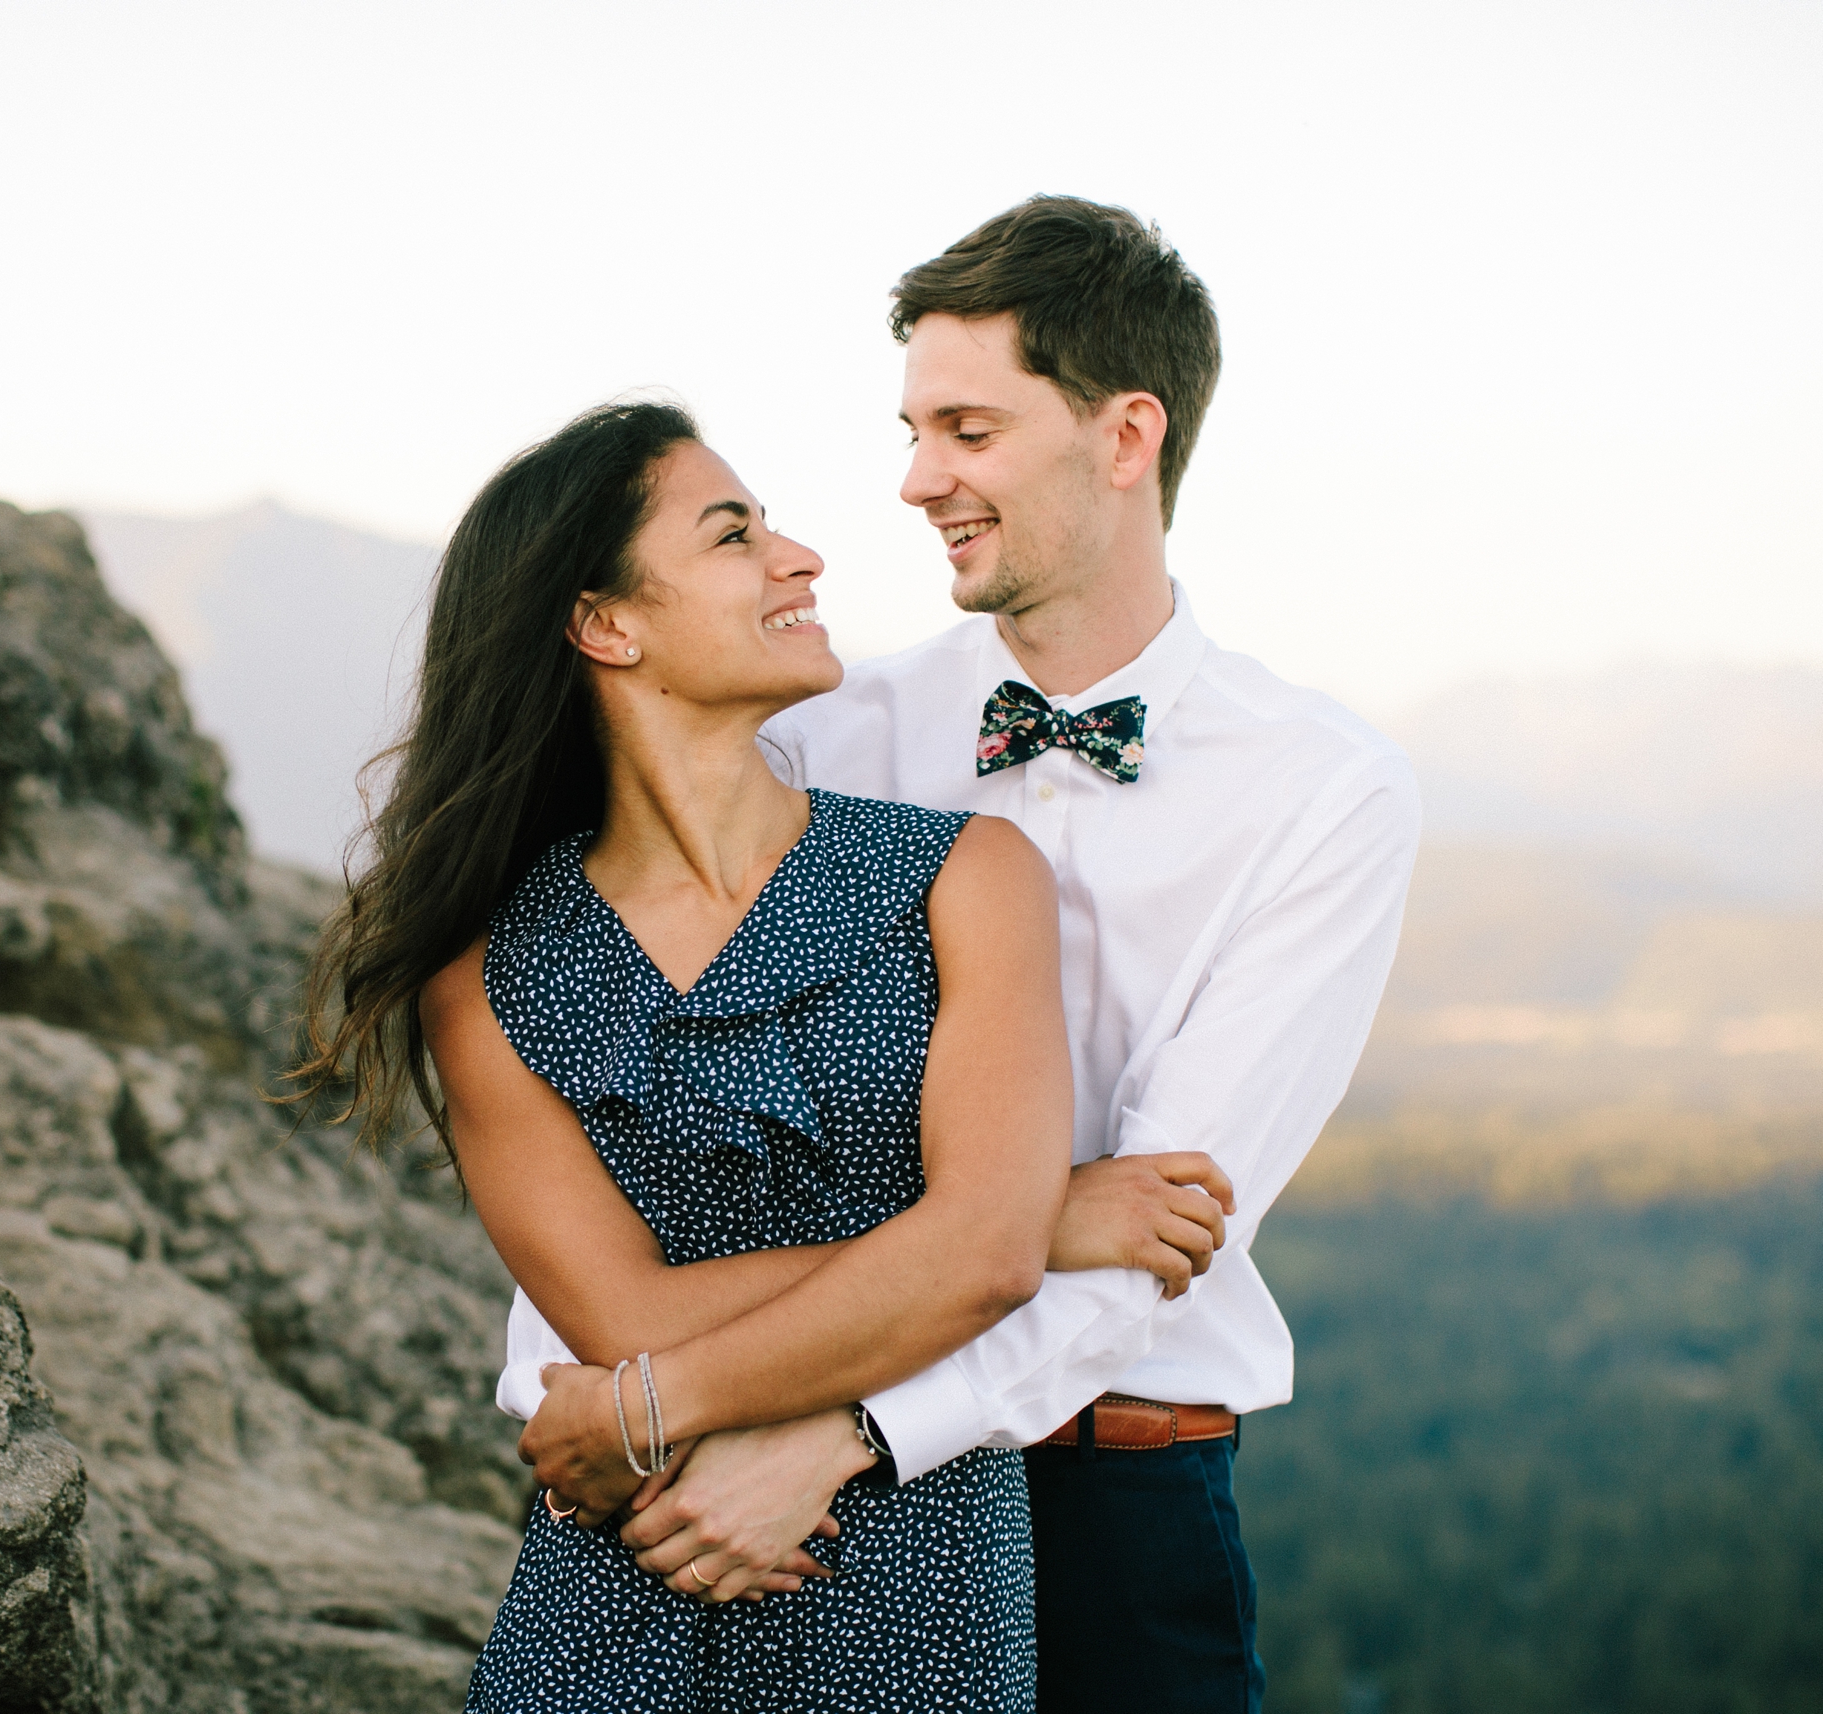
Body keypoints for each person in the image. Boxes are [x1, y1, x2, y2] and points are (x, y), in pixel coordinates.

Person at [505, 197, 1422, 1712]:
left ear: (1125, 437)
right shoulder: (825, 730)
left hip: (1108, 1499)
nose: (918, 478)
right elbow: (649, 1093)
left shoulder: (1325, 789)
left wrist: (846, 1435)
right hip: (749, 1469)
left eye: (969, 430)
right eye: (915, 428)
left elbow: (1166, 1220)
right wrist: (619, 1404)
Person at [292, 396, 1131, 1711]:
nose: (800, 556)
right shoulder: (490, 974)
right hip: (629, 1571)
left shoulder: (967, 878)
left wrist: (644, 1402)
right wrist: (1032, 1216)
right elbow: (619, 1316)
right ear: (605, 622)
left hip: (904, 1559)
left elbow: (982, 1259)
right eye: (735, 533)